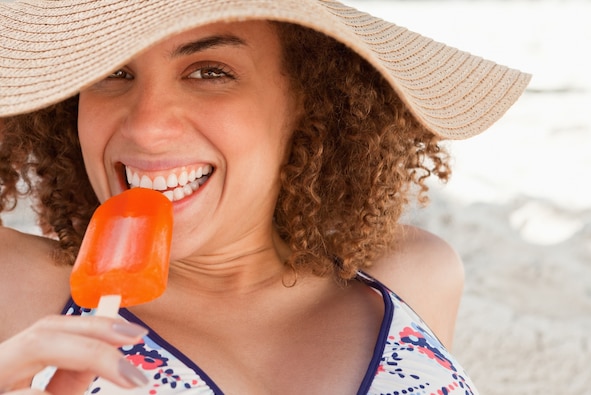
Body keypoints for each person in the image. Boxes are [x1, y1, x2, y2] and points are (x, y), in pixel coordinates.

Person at [0, 1, 530, 394]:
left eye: (210, 72)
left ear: (312, 102)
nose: (147, 128)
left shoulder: (413, 274)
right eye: (113, 73)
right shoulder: (18, 286)